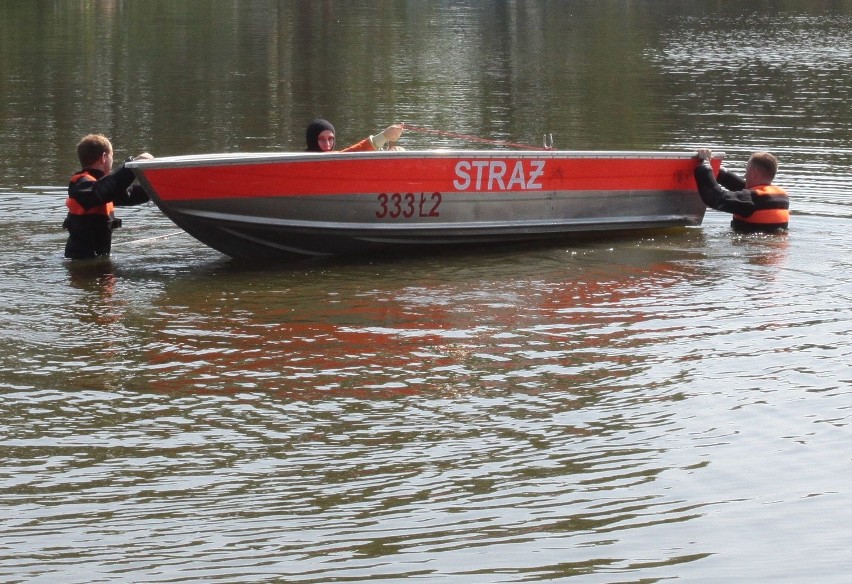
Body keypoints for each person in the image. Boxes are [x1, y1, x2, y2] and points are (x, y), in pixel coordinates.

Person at [63, 133, 154, 259]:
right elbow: (103, 190)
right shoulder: (81, 184)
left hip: (98, 259)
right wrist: (133, 165)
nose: (113, 161)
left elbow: (131, 194)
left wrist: (159, 186)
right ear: (104, 157)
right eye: (112, 156)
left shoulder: (101, 186)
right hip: (80, 260)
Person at [693, 148, 789, 233]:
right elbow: (742, 189)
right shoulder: (782, 197)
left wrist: (704, 164)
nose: (744, 175)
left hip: (753, 249)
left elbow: (714, 197)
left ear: (754, 173)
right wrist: (716, 169)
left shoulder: (752, 199)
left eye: (746, 171)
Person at [305, 118, 405, 152]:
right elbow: (352, 153)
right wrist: (384, 136)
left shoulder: (335, 160)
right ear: (312, 141)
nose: (327, 144)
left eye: (330, 139)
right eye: (321, 139)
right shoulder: (304, 162)